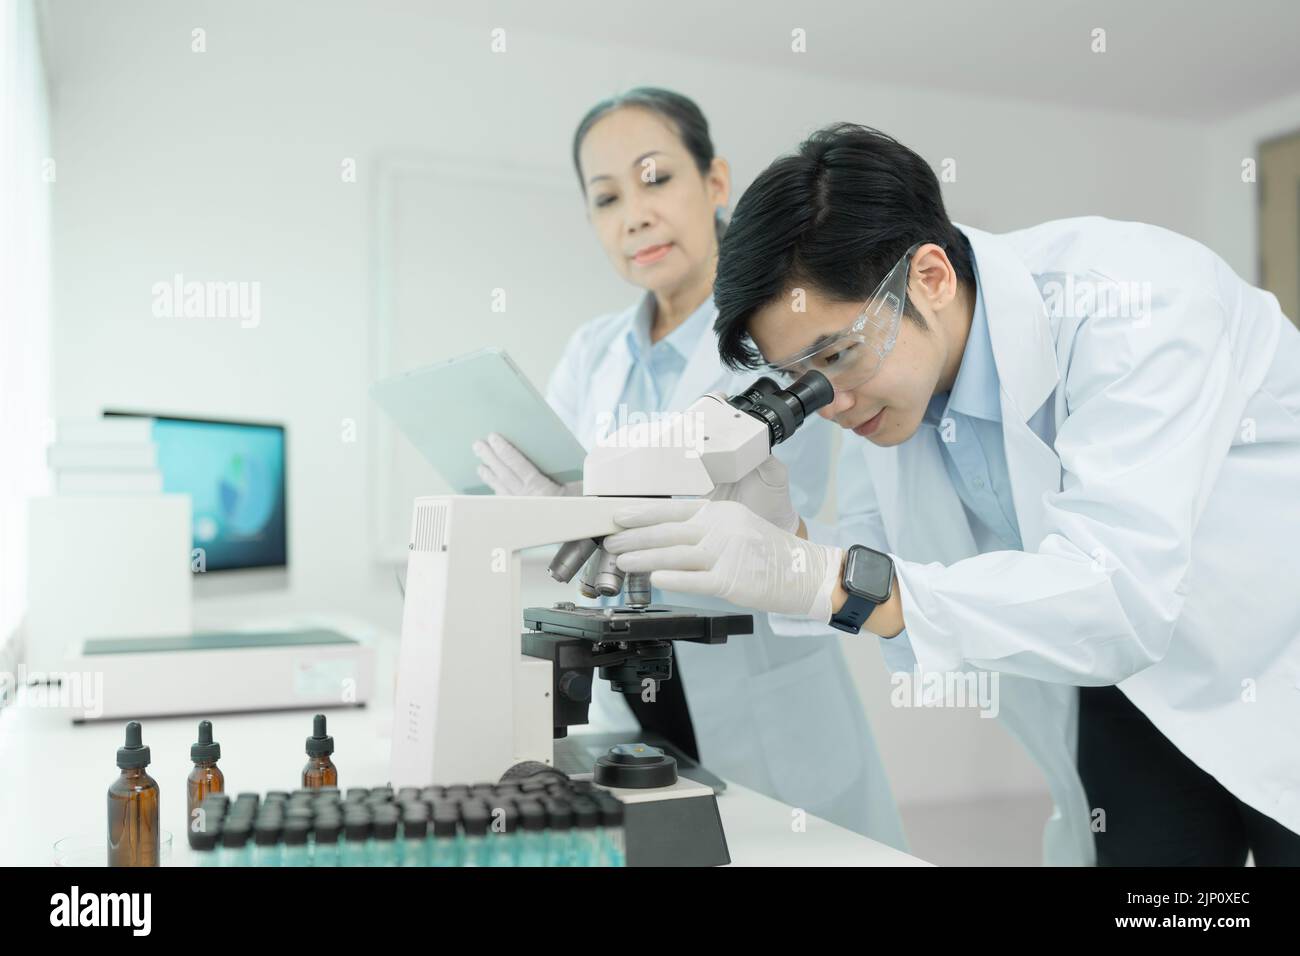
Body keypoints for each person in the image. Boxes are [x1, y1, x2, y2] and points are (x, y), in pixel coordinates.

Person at [602, 122, 1300, 866]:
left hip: (1273, 662)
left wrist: (822, 580)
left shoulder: (1138, 305)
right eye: (802, 378)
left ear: (930, 276)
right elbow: (894, 582)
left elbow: (1116, 592)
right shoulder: (886, 394)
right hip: (1125, 683)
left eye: (836, 353)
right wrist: (794, 552)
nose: (830, 402)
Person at [473, 93, 906, 849]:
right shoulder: (591, 351)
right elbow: (571, 519)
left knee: (786, 850)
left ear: (714, 183)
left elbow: (738, 506)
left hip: (757, 677)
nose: (633, 214)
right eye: (606, 198)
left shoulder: (781, 329)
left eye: (655, 178)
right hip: (627, 682)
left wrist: (595, 508)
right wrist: (555, 513)